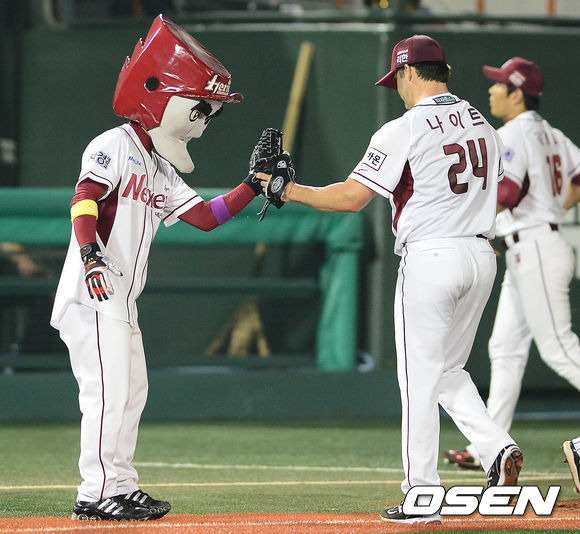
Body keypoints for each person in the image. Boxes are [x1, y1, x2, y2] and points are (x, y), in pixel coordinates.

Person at [257, 34, 523, 525]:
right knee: (447, 372)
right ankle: (496, 448)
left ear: (406, 71)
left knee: (417, 382)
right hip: (480, 255)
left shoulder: (404, 127)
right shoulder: (483, 124)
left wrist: (287, 190)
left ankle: (422, 495)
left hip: (432, 257)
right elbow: (504, 191)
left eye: (396, 78)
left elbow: (350, 198)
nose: (395, 87)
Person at [50, 15, 264, 521]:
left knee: (131, 394)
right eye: (199, 109)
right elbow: (85, 199)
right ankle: (96, 494)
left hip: (121, 299)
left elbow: (205, 216)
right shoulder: (113, 144)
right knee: (107, 395)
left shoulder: (159, 165)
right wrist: (90, 253)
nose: (203, 121)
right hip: (94, 292)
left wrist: (253, 184)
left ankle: (119, 486)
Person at [442, 59, 580, 485]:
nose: (492, 90)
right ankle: (490, 444)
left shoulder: (515, 132)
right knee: (505, 348)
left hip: (535, 246)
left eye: (500, 85)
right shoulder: (551, 132)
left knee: (558, 348)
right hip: (536, 243)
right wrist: (554, 210)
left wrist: (468, 218)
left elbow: (507, 192)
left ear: (517, 94)